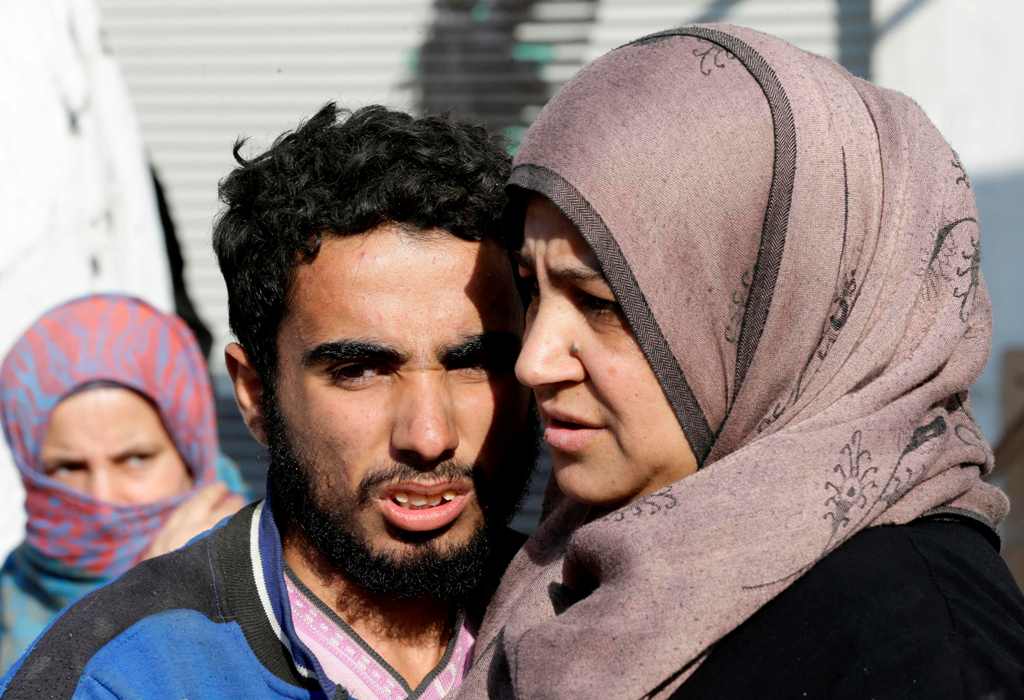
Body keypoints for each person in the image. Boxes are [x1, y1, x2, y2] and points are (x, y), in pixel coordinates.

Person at [456, 24, 1024, 699]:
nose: (536, 362)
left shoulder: (923, 653)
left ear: (787, 312)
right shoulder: (583, 563)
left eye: (600, 302)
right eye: (532, 291)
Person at [1, 104, 537, 699]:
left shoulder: (592, 616)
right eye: (360, 371)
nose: (429, 434)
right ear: (256, 395)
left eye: (474, 364)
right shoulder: (123, 677)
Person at [0, 294, 247, 673]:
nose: (102, 498)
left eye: (135, 459)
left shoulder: (289, 579)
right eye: (67, 467)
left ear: (191, 454)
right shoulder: (12, 607)